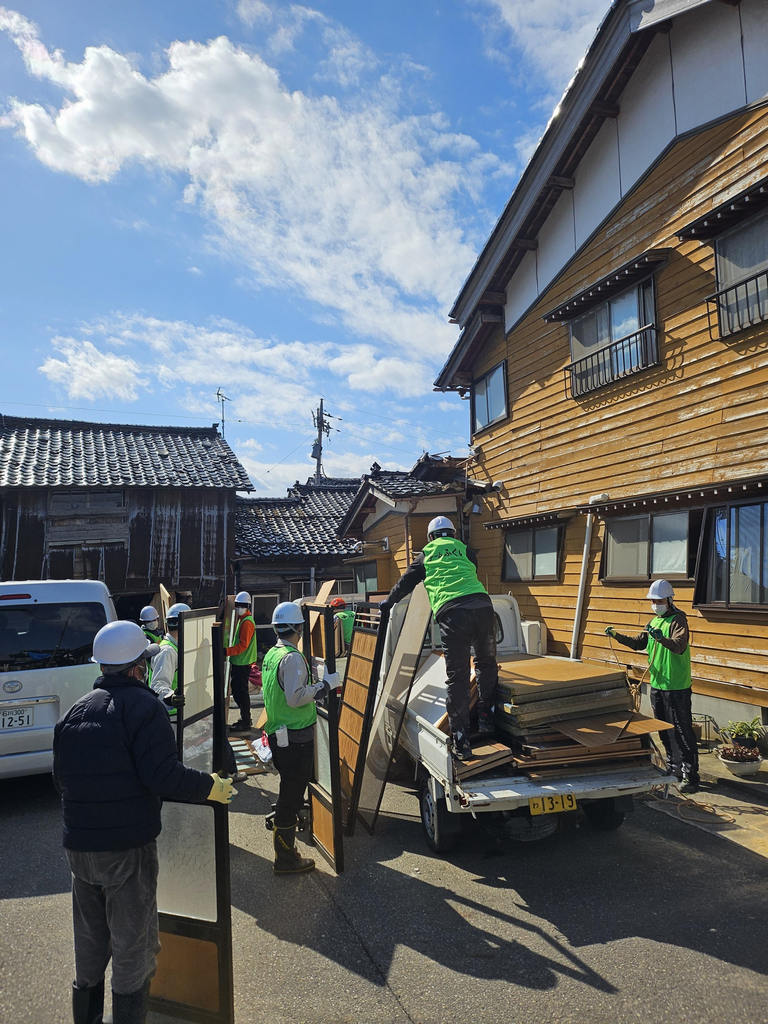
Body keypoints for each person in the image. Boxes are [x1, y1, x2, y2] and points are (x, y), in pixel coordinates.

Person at [53, 620, 236, 1024]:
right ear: (138, 667)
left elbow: (60, 780)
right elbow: (163, 776)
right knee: (133, 951)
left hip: (79, 851)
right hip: (127, 852)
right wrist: (211, 786)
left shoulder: (75, 712)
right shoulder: (146, 708)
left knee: (89, 947)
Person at [378, 516, 498, 761]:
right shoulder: (465, 550)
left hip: (454, 614)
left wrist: (388, 602)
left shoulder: (426, 554)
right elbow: (469, 570)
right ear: (452, 534)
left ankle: (462, 742)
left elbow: (405, 583)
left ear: (431, 537)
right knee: (486, 664)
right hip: (484, 608)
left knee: (459, 676)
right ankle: (487, 718)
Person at [262, 602, 338, 874]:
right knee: (291, 798)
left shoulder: (272, 654)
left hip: (280, 736)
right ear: (298, 628)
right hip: (295, 739)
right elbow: (295, 698)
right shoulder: (292, 657)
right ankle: (285, 859)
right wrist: (324, 686)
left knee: (290, 791)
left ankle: (287, 850)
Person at [605, 579, 699, 793]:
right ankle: (673, 769)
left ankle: (691, 776)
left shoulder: (678, 621)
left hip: (677, 686)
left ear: (669, 600)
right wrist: (617, 636)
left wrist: (662, 638)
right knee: (664, 731)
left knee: (682, 731)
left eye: (659, 600)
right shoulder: (653, 622)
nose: (655, 604)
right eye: (653, 601)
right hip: (657, 684)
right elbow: (639, 643)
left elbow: (679, 646)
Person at [225, 591, 258, 733]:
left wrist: (225, 651)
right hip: (240, 662)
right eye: (237, 605)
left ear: (247, 606)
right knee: (239, 691)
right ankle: (245, 719)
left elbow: (243, 645)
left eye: (241, 605)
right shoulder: (242, 619)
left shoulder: (246, 622)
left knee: (241, 693)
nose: (239, 608)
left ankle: (245, 722)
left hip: (242, 663)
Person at [149, 602, 189, 717]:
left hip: (178, 714)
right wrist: (171, 697)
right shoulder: (167, 651)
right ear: (184, 625)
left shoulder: (176, 647)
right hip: (171, 715)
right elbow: (157, 685)